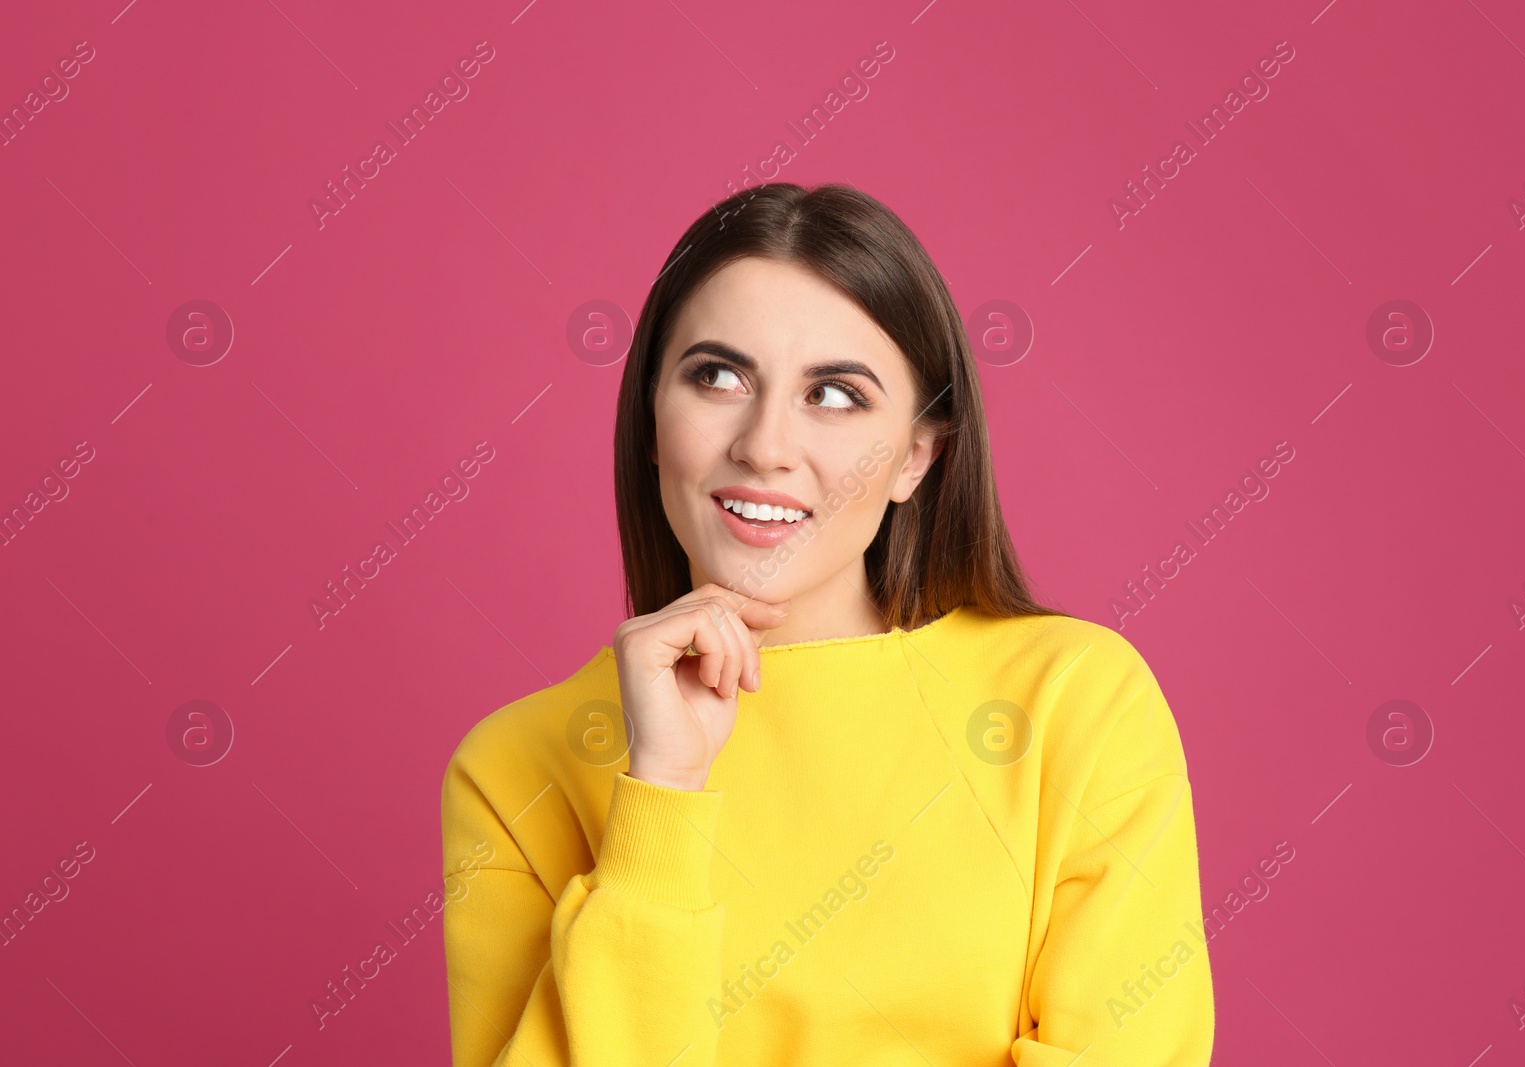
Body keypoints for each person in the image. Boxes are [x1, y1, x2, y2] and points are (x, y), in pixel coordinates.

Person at [440, 182, 1214, 1065]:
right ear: (653, 419)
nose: (765, 444)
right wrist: (661, 795)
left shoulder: (1076, 701)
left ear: (917, 456)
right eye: (718, 376)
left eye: (837, 395)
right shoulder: (512, 770)